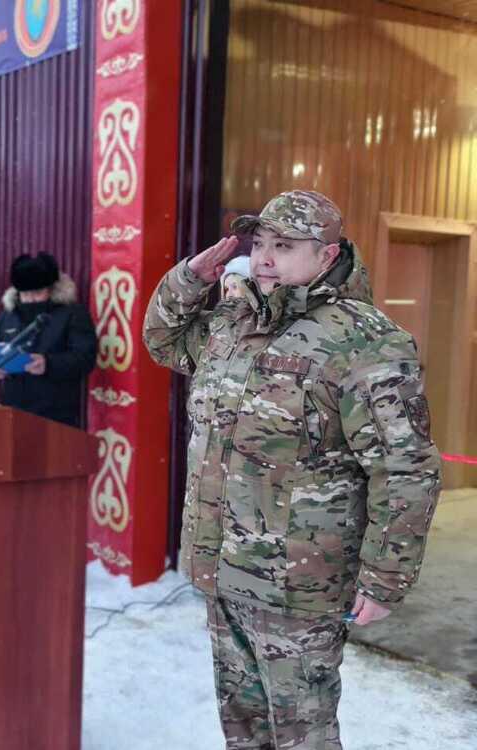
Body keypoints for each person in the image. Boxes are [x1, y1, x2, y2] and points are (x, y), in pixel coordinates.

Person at [144, 190, 442, 750]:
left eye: (284, 246)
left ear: (327, 256)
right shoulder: (235, 324)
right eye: (259, 244)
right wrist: (189, 277)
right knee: (243, 729)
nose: (264, 257)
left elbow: (405, 468)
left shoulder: (363, 342)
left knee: (302, 735)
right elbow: (163, 340)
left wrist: (385, 578)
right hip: (224, 568)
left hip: (299, 586)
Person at [0, 252, 97, 428]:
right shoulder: (8, 315)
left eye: (38, 293)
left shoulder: (72, 314)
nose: (31, 299)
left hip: (55, 414)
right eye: (25, 294)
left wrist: (48, 363)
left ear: (52, 289)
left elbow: (85, 358)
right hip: (13, 409)